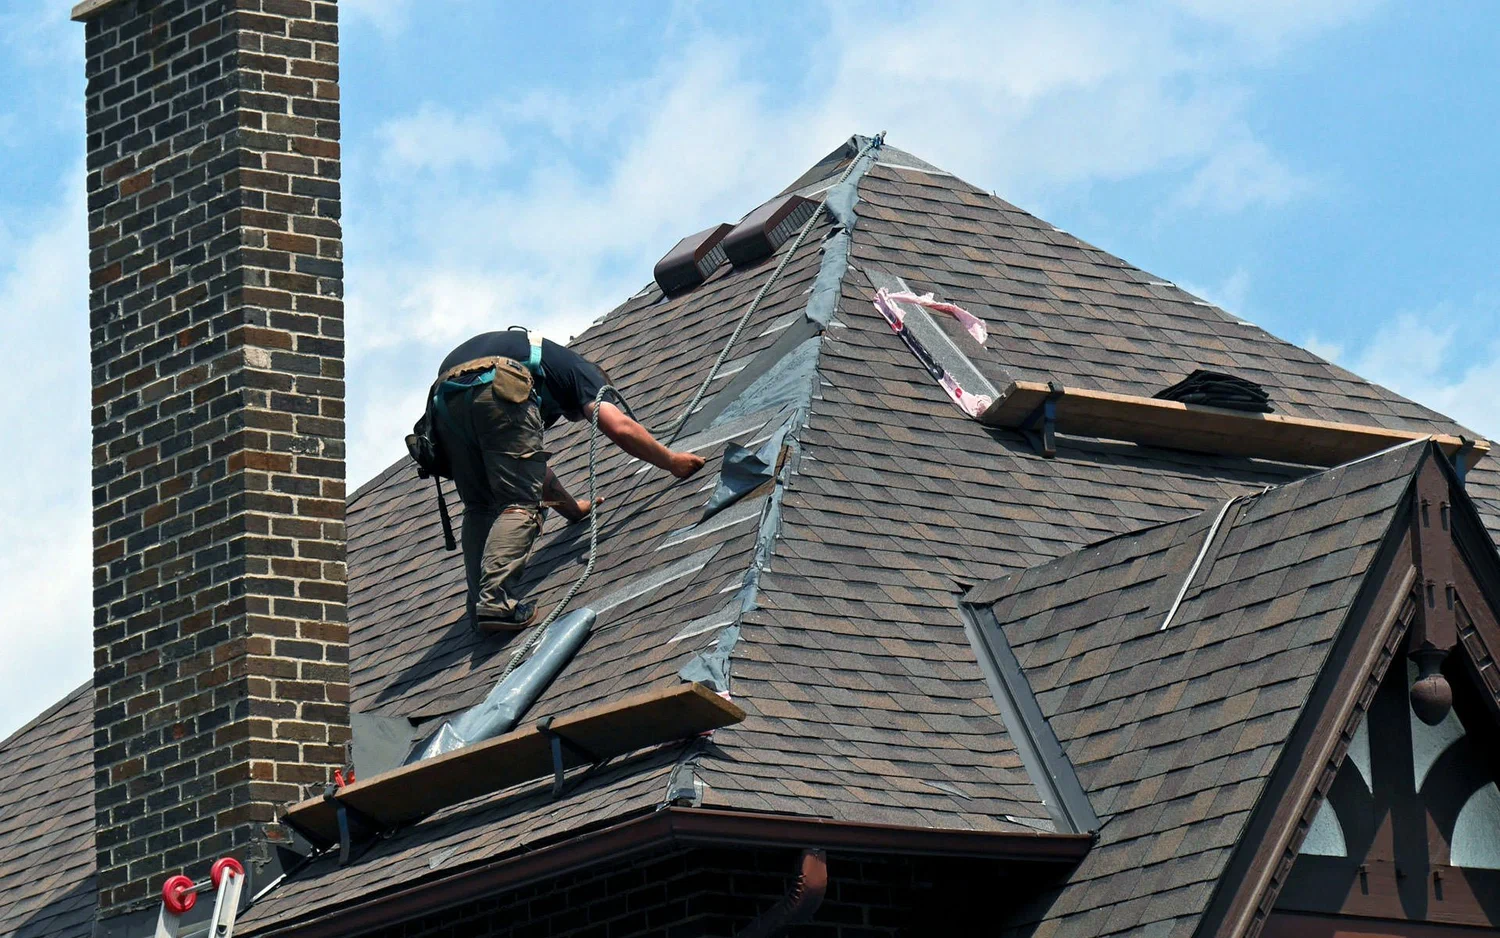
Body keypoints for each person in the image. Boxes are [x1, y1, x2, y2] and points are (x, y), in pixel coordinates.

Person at [432, 329, 705, 632]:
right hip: (493, 384)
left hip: (443, 401)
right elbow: (619, 427)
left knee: (480, 506)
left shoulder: (541, 366)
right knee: (522, 502)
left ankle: (479, 608)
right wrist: (672, 462)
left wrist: (573, 510)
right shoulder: (584, 373)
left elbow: (533, 472)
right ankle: (494, 602)